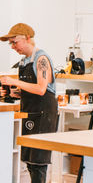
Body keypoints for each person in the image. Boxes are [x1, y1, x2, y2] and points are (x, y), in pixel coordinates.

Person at [0, 23, 58, 183]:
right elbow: (29, 90)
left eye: (14, 42)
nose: (12, 46)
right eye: (10, 43)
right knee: (30, 161)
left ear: (27, 38)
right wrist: (13, 92)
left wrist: (15, 82)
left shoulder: (42, 59)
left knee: (38, 162)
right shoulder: (24, 62)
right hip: (30, 113)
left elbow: (41, 89)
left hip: (44, 115)